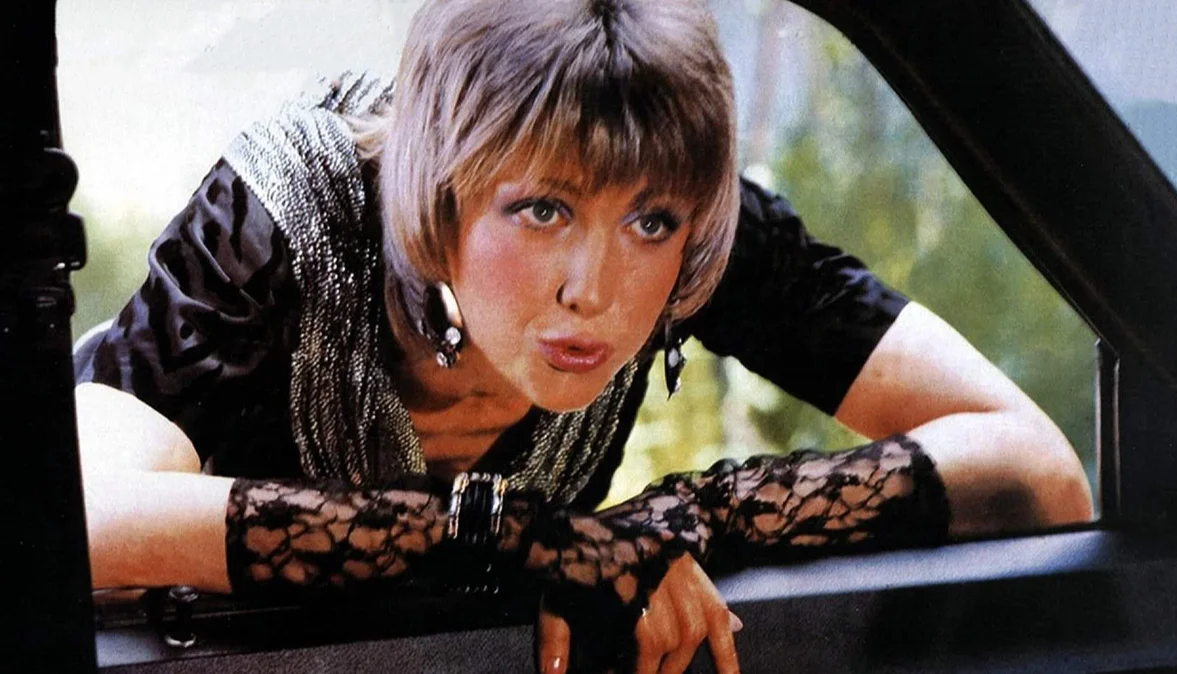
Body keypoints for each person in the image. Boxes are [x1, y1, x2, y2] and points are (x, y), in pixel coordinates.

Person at [74, 0, 1094, 672]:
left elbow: (1034, 469)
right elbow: (79, 516)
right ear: (443, 188)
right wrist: (513, 535)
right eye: (542, 210)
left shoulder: (700, 235)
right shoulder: (285, 217)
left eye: (648, 222)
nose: (594, 290)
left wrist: (684, 519)